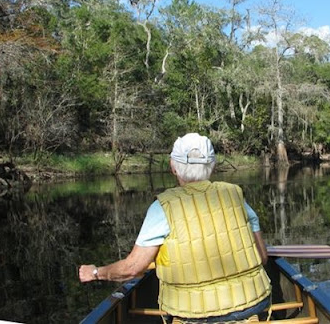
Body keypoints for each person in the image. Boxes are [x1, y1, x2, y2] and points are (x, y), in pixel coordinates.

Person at [78, 133, 272, 323]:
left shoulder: (162, 208)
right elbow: (262, 258)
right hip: (253, 303)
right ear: (212, 166)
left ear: (173, 167)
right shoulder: (236, 196)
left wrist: (96, 272)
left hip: (193, 314)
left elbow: (131, 269)